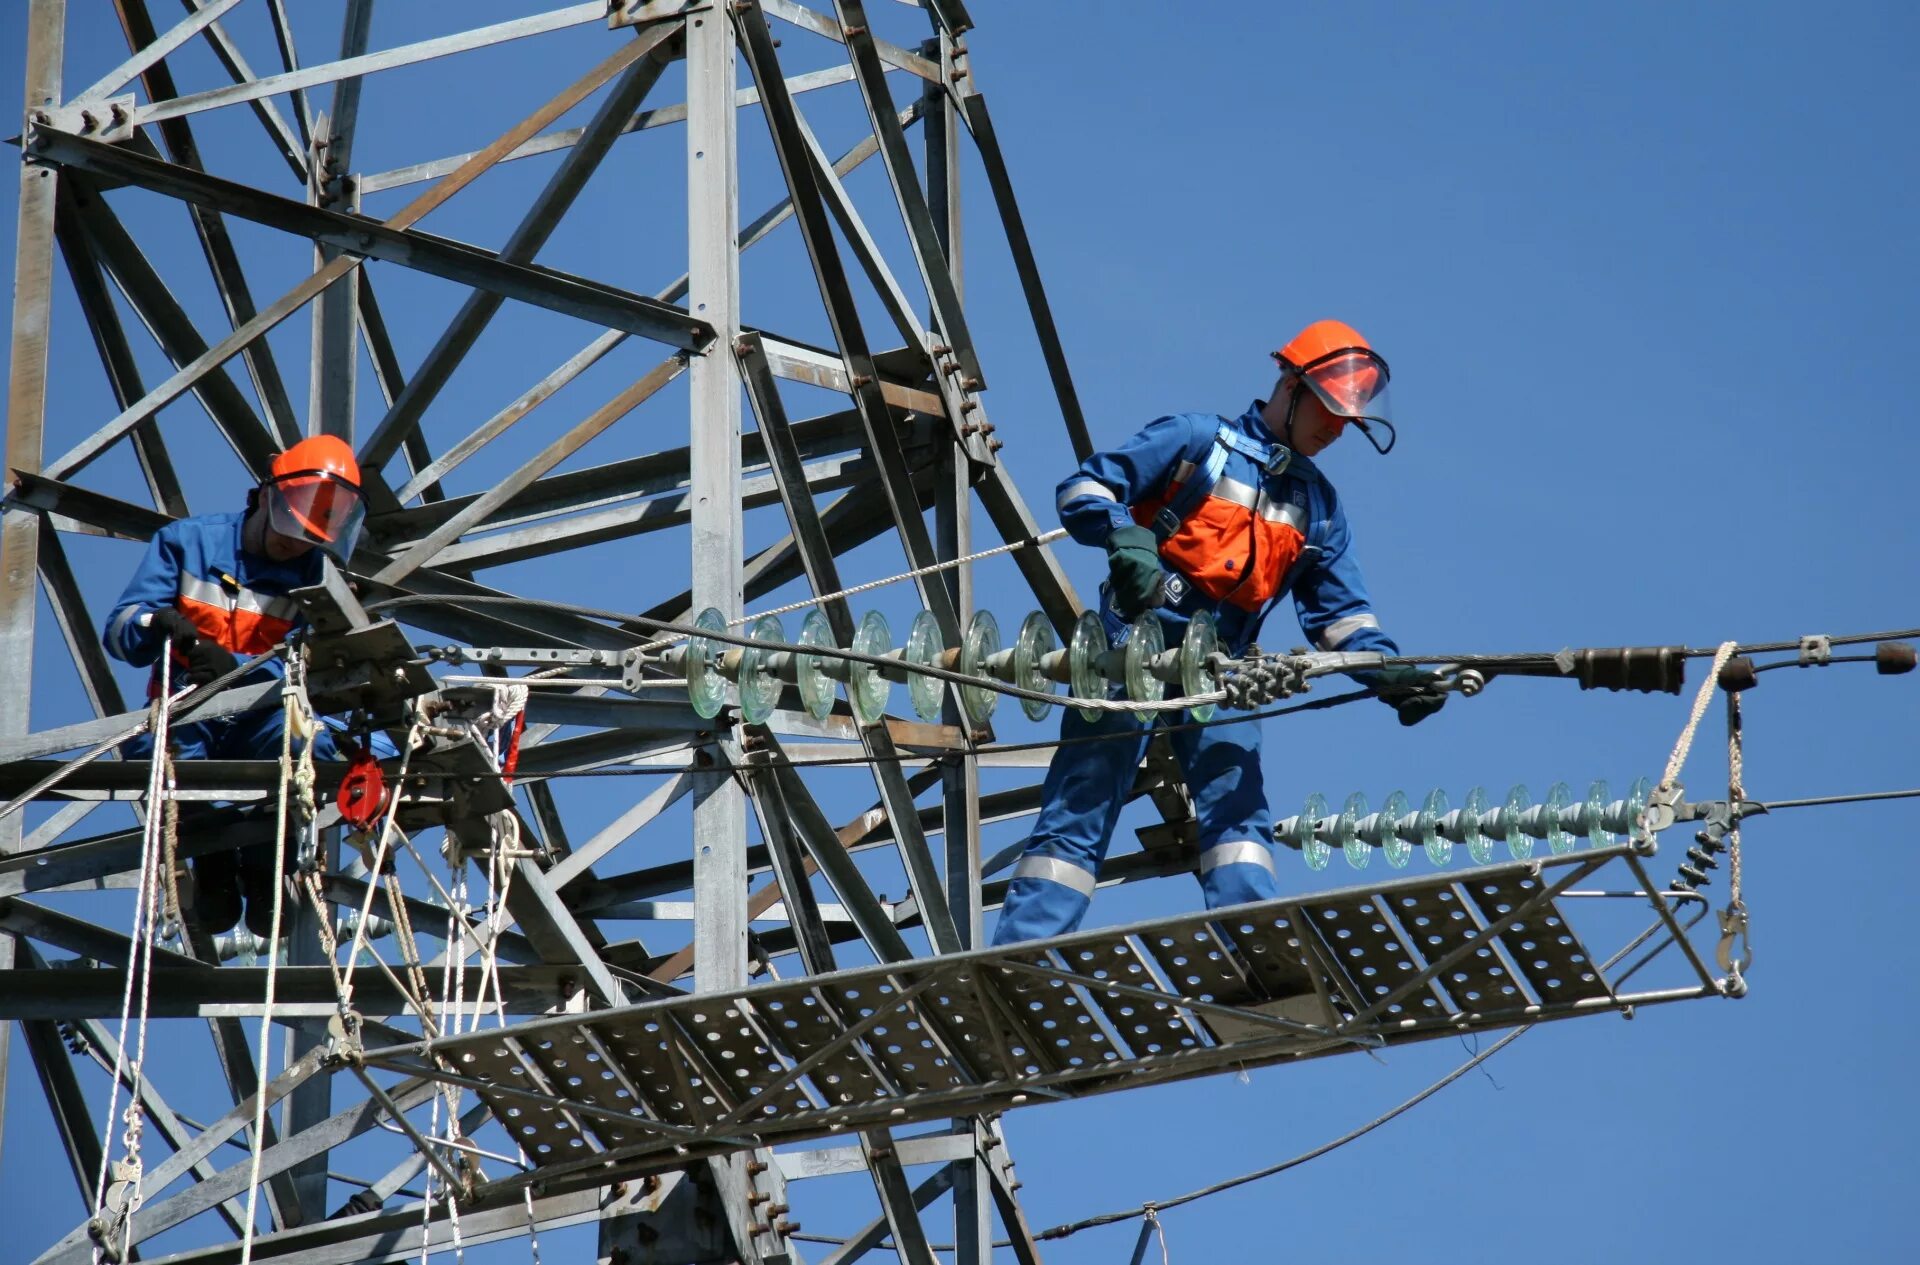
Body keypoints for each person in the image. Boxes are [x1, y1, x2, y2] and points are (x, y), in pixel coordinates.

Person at [992, 319, 1447, 944]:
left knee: (1239, 808)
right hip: (1134, 648)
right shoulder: (1198, 441)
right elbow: (1085, 488)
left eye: (1348, 422)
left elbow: (1344, 622)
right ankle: (1024, 951)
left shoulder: (1320, 509)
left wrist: (1387, 672)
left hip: (1220, 670)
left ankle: (1260, 950)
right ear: (1291, 385)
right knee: (1086, 799)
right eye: (1329, 411)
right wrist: (1126, 539)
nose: (1335, 431)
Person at [103, 435, 369, 938]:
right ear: (268, 495)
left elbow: (322, 674)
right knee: (164, 753)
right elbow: (120, 633)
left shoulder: (316, 579)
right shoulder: (189, 543)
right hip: (189, 707)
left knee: (302, 746)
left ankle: (269, 861)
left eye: (314, 535)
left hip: (263, 716)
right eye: (294, 526)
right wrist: (161, 626)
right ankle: (212, 865)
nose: (297, 543)